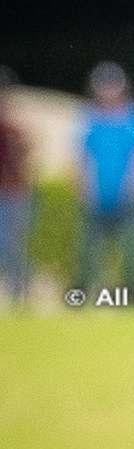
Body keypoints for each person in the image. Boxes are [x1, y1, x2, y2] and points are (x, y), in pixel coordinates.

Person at [74, 60, 134, 296]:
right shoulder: (88, 118)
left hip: (130, 196)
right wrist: (84, 187)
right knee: (89, 253)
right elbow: (80, 156)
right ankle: (83, 295)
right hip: (96, 197)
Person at [0, 67, 32, 304]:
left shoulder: (14, 128)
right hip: (12, 192)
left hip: (12, 193)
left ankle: (19, 292)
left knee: (10, 245)